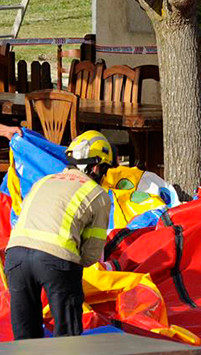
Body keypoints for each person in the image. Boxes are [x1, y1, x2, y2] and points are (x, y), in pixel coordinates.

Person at [4, 130, 113, 339]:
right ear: (97, 167)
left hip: (15, 258)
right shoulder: (98, 194)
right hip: (57, 260)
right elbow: (90, 254)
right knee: (67, 338)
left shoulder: (43, 181)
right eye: (105, 170)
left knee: (25, 339)